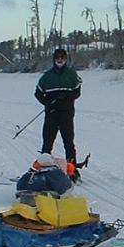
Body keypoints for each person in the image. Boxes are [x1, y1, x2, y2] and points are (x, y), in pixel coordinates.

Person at [34, 47, 82, 180]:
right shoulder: (47, 76)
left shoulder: (71, 74)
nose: (60, 60)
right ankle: (42, 168)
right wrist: (47, 103)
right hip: (51, 113)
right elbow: (38, 93)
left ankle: (72, 170)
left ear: (66, 59)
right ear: (54, 59)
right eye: (57, 58)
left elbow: (77, 92)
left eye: (62, 58)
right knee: (47, 141)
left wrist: (66, 97)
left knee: (68, 142)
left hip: (66, 113)